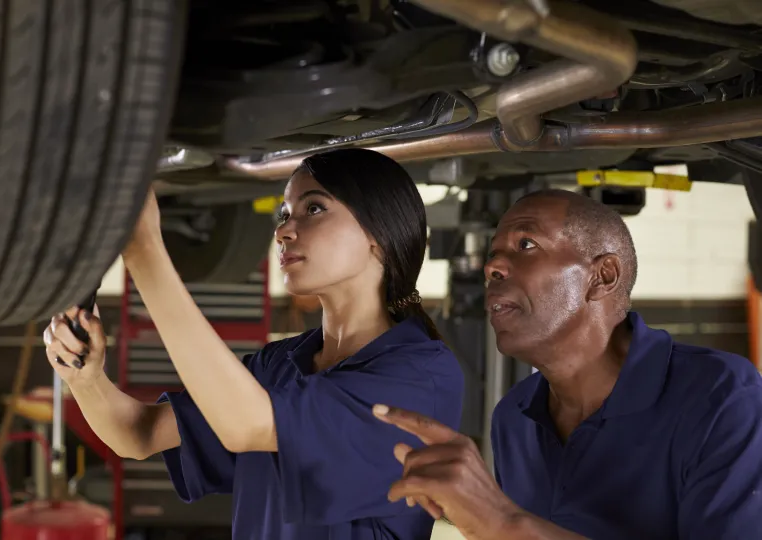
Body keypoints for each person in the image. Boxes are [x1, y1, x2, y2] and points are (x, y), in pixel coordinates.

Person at [42, 148, 465, 540]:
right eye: (284, 213)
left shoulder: (418, 375)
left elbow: (251, 426)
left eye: (313, 208)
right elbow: (139, 433)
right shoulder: (280, 364)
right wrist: (86, 377)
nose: (283, 231)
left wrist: (145, 249)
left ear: (380, 235)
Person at [373, 189, 762, 540]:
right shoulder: (514, 417)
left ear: (603, 276)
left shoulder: (722, 397)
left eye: (525, 244)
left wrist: (503, 523)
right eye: (493, 254)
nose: (492, 268)